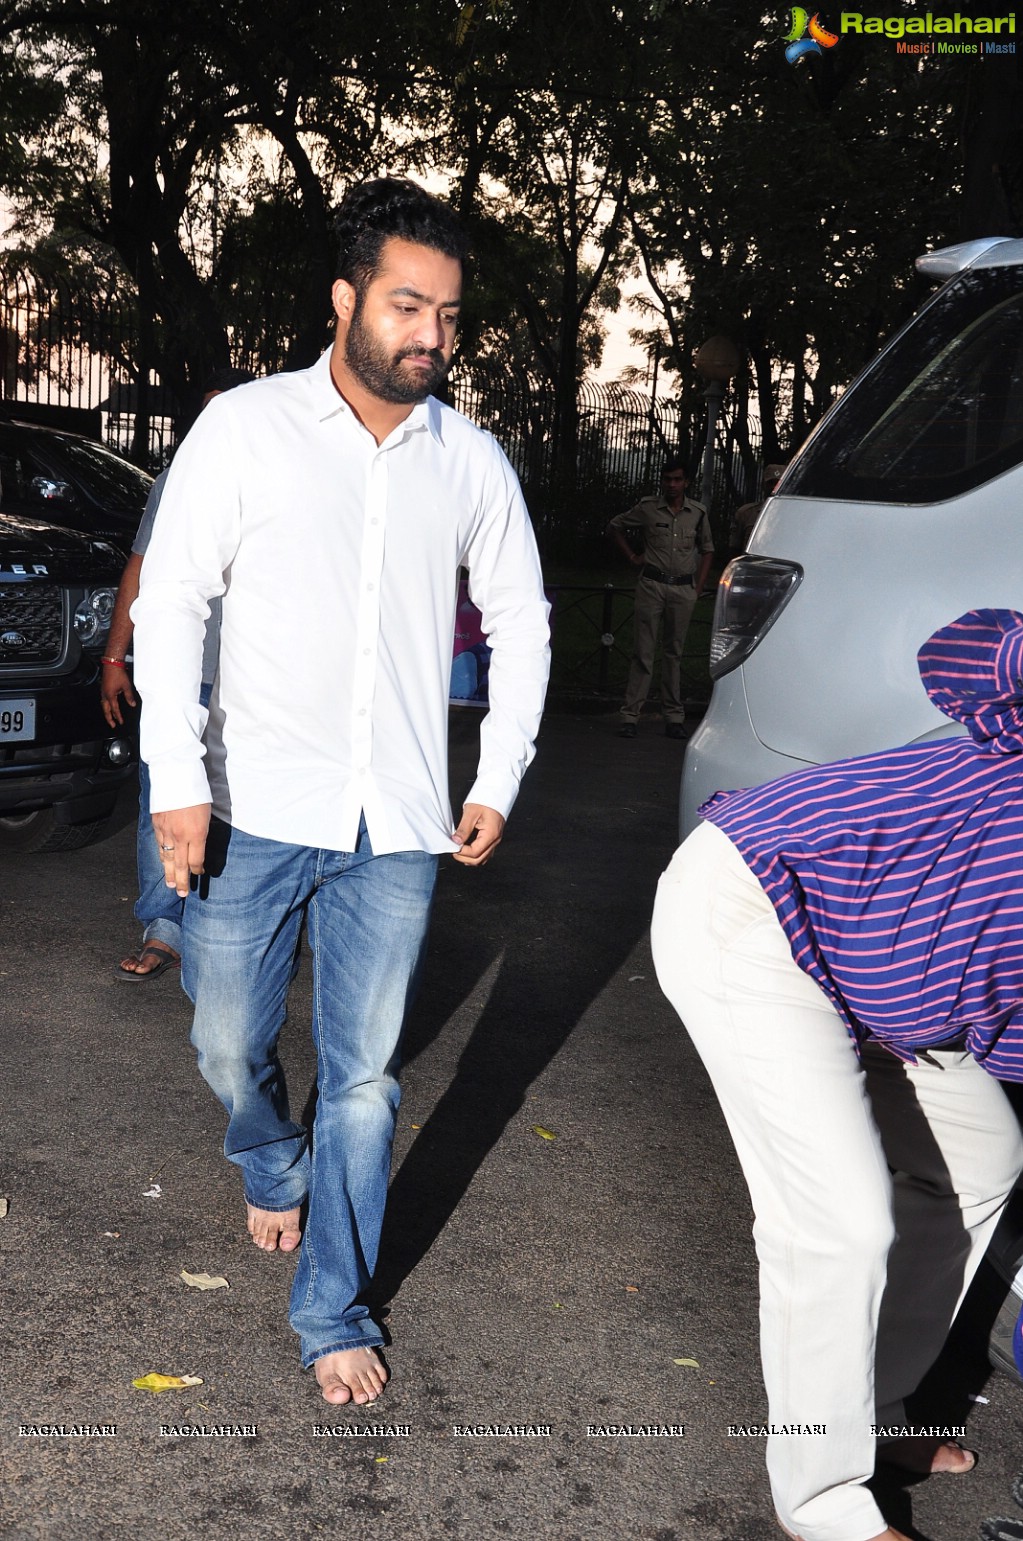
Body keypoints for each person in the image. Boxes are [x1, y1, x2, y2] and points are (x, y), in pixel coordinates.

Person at [131, 177, 550, 1407]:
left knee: (363, 1076)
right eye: (409, 304)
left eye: (450, 314)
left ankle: (334, 1310)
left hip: (399, 824)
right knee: (224, 1035)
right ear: (345, 299)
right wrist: (176, 779)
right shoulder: (246, 427)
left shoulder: (468, 459)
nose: (432, 333)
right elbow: (174, 604)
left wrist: (502, 772)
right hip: (248, 802)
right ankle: (268, 1155)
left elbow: (524, 619)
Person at [651, 608, 1023, 1541]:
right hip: (751, 910)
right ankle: (822, 1503)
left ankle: (883, 1407)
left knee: (980, 1157)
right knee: (838, 1222)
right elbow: (967, 643)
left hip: (870, 948)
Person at [102, 368, 254, 981]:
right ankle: (165, 926)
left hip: (255, 680)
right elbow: (141, 568)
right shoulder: (175, 481)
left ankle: (245, 927)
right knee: (162, 796)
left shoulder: (283, 475)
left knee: (245, 806)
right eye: (206, 417)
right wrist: (115, 657)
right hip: (183, 671)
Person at [607, 461, 714, 739]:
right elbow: (615, 525)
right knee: (643, 652)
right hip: (652, 585)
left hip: (682, 589)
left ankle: (674, 716)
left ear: (686, 482)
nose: (671, 484)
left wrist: (698, 587)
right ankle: (631, 716)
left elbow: (708, 550)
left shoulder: (698, 514)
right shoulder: (648, 508)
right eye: (667, 479)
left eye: (677, 479)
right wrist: (632, 557)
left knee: (673, 653)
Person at [728, 462, 787, 555]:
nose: (773, 487)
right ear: (762, 486)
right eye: (770, 483)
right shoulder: (746, 514)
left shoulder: (795, 516)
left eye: (778, 483)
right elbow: (734, 550)